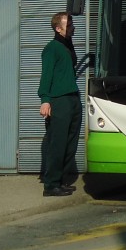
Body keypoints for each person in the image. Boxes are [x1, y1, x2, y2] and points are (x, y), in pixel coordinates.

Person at [39, 11, 82, 197]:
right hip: (59, 100)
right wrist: (45, 100)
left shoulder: (67, 46)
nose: (72, 27)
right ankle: (51, 184)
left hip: (73, 98)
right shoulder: (52, 48)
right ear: (58, 28)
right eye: (68, 25)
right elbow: (46, 76)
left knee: (70, 143)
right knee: (58, 143)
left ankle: (61, 180)